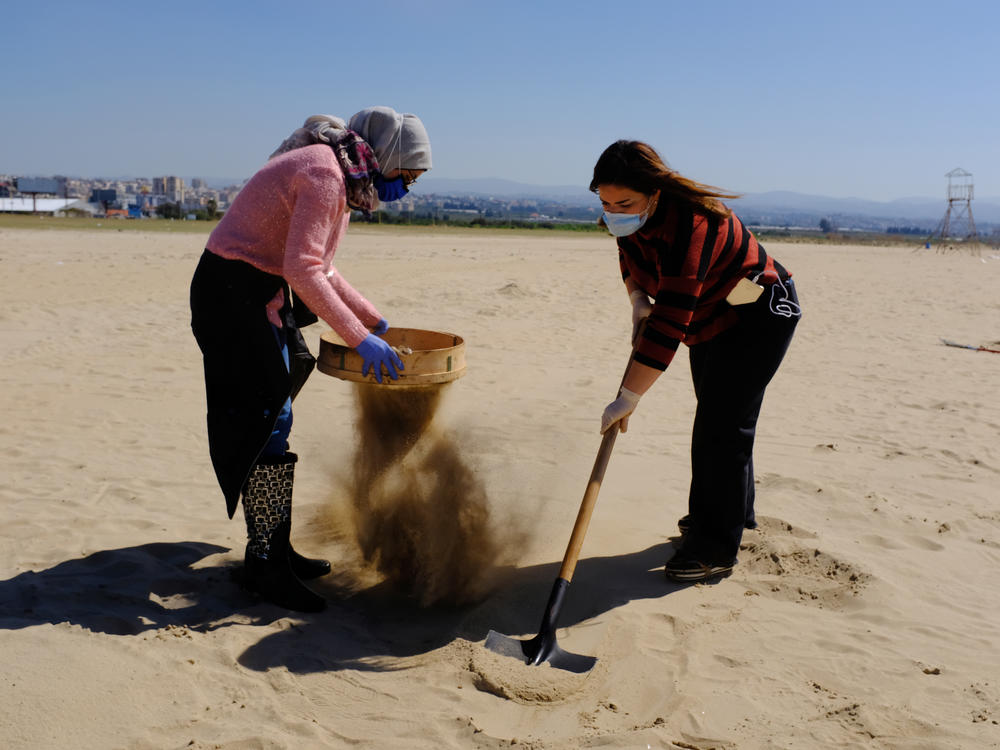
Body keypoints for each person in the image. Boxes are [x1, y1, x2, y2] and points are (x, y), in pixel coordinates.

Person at [190, 106, 432, 611]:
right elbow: (303, 269)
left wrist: (372, 320)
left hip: (256, 292)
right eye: (407, 175)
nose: (405, 188)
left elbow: (322, 265)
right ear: (385, 156)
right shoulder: (326, 173)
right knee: (268, 417)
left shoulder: (342, 172)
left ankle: (273, 552)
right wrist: (359, 338)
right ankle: (265, 565)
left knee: (275, 417)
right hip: (232, 295)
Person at [591, 140, 801, 583]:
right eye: (605, 202)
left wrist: (629, 397)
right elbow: (627, 255)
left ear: (655, 192)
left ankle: (715, 547)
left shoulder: (694, 222)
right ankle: (730, 514)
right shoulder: (628, 219)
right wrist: (635, 298)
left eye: (624, 202)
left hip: (758, 313)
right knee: (720, 418)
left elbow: (670, 321)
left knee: (721, 427)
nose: (613, 212)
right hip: (710, 318)